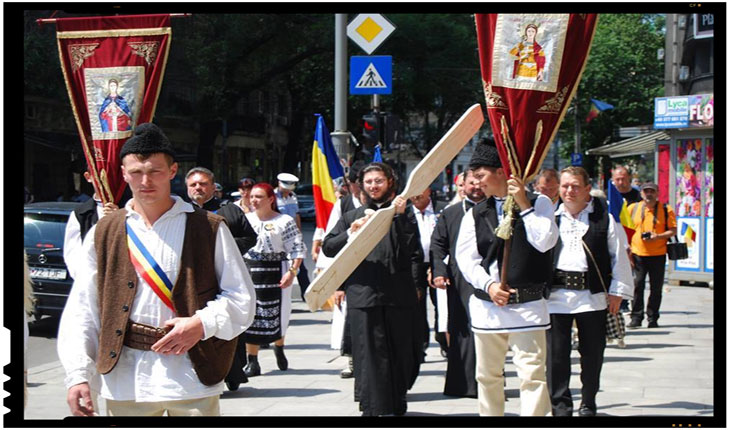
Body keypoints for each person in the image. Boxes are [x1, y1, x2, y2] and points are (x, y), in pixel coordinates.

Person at [57, 122, 256, 417]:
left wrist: (201, 324)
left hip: (191, 376)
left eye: (155, 171)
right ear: (124, 174)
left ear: (173, 171)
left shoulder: (207, 227)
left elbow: (241, 297)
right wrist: (78, 375)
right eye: (136, 172)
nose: (145, 180)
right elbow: (83, 308)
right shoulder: (105, 231)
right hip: (126, 379)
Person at [455, 138, 558, 416]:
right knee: (488, 377)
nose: (477, 183)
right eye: (473, 178)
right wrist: (489, 285)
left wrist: (524, 205)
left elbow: (545, 242)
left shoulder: (541, 203)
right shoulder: (475, 213)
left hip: (528, 306)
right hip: (489, 308)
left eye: (481, 175)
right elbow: (466, 259)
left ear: (501, 172)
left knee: (533, 377)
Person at [322, 162, 423, 416]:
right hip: (363, 295)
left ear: (390, 182)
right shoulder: (352, 217)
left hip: (398, 296)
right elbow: (328, 247)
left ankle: (397, 400)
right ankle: (371, 407)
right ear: (361, 186)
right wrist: (350, 234)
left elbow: (413, 250)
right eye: (368, 182)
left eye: (378, 181)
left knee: (400, 351)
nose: (373, 186)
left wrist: (399, 218)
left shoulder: (403, 213)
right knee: (368, 355)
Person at [546, 167, 634, 417]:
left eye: (575, 186)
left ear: (587, 189)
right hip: (555, 299)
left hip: (592, 297)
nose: (569, 191)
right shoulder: (550, 217)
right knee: (556, 357)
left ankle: (588, 401)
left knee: (592, 354)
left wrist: (617, 291)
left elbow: (619, 256)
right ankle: (560, 407)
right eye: (564, 186)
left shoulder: (604, 217)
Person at [185, 166, 258, 391]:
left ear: (213, 187)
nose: (198, 188)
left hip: (222, 278)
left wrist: (224, 249)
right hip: (190, 279)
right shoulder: (179, 211)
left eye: (203, 184)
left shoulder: (229, 211)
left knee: (226, 322)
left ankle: (231, 372)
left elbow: (249, 237)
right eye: (194, 184)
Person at [430, 168, 485, 398]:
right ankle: (460, 384)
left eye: (479, 183)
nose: (475, 187)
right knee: (460, 328)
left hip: (487, 279)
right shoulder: (450, 213)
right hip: (459, 279)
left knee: (486, 330)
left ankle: (487, 383)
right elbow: (437, 245)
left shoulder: (498, 210)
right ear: (462, 185)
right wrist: (439, 272)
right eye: (471, 183)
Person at [241, 183, 306, 377]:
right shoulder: (245, 220)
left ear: (270, 199)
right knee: (252, 314)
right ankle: (252, 361)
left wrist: (292, 272)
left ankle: (279, 345)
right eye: (252, 196)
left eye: (259, 196)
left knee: (279, 313)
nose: (254, 200)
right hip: (250, 270)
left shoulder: (284, 221)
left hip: (277, 270)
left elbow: (297, 248)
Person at [627, 182, 677, 329]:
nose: (649, 194)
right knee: (637, 286)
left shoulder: (666, 209)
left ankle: (653, 318)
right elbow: (624, 229)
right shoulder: (633, 208)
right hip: (637, 253)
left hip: (658, 254)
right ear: (641, 193)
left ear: (657, 193)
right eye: (646, 191)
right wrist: (627, 250)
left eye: (652, 191)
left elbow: (673, 230)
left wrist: (658, 236)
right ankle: (636, 317)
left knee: (656, 288)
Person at [63, 166, 120, 280]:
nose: (105, 180)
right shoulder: (81, 214)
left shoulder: (131, 210)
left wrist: (120, 220)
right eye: (100, 175)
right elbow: (73, 256)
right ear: (88, 177)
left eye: (110, 175)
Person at [411, 186, 448, 358]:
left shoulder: (443, 208)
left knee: (442, 304)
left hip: (438, 263)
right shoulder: (404, 213)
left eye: (420, 189)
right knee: (416, 307)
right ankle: (420, 345)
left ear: (429, 190)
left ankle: (444, 341)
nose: (416, 194)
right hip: (414, 265)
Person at [275, 172, 310, 297]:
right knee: (281, 267)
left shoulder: (293, 196)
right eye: (285, 187)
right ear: (279, 184)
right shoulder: (272, 197)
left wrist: (299, 236)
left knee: (301, 267)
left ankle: (306, 295)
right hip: (279, 237)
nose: (287, 191)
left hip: (293, 237)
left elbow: (297, 216)